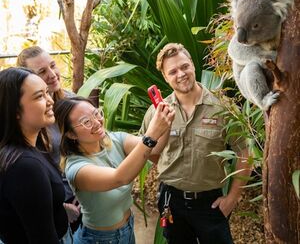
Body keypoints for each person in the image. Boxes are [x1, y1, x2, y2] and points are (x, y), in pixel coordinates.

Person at [140, 43, 252, 244]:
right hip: (171, 201)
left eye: (184, 66)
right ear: (165, 77)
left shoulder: (223, 107)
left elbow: (245, 151)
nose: (180, 74)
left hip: (210, 203)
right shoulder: (157, 113)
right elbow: (147, 151)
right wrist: (170, 166)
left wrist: (233, 197)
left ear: (192, 65)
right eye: (172, 71)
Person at [54, 96, 175, 244]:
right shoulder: (76, 168)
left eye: (96, 113)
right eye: (86, 121)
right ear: (71, 134)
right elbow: (120, 177)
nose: (97, 122)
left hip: (128, 229)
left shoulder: (115, 140)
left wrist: (166, 121)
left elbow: (155, 148)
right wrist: (151, 134)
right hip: (99, 239)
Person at [0, 67, 69, 243]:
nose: (50, 101)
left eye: (47, 92)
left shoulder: (32, 146)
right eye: (39, 96)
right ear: (15, 110)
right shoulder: (24, 167)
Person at [17, 46, 81, 228]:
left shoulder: (71, 100)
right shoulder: (29, 119)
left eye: (53, 65)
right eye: (42, 71)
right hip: (55, 203)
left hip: (82, 192)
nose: (52, 74)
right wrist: (58, 207)